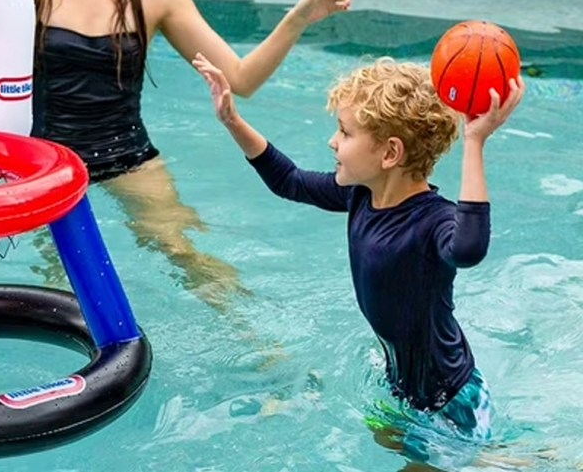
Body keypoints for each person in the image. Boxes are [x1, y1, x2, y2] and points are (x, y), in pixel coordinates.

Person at [192, 51, 525, 469]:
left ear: (390, 153)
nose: (333, 141)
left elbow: (469, 249)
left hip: (449, 400)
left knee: (472, 464)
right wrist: (232, 121)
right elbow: (290, 181)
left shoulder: (432, 223)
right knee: (385, 438)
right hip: (401, 381)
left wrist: (474, 142)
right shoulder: (360, 195)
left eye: (345, 132)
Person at [19, 0, 356, 312]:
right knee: (54, 271)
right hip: (48, 164)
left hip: (128, 156)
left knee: (181, 249)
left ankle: (258, 338)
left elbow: (241, 79)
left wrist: (299, 17)